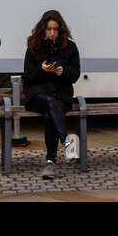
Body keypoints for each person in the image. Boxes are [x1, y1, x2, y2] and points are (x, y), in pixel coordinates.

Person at [22, 10, 82, 179]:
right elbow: (27, 78)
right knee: (48, 101)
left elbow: (76, 74)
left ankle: (50, 163)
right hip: (37, 95)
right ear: (43, 29)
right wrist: (41, 70)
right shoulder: (34, 47)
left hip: (61, 95)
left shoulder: (70, 47)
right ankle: (66, 141)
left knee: (51, 114)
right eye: (49, 29)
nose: (52, 33)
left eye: (55, 29)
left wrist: (63, 71)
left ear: (61, 29)